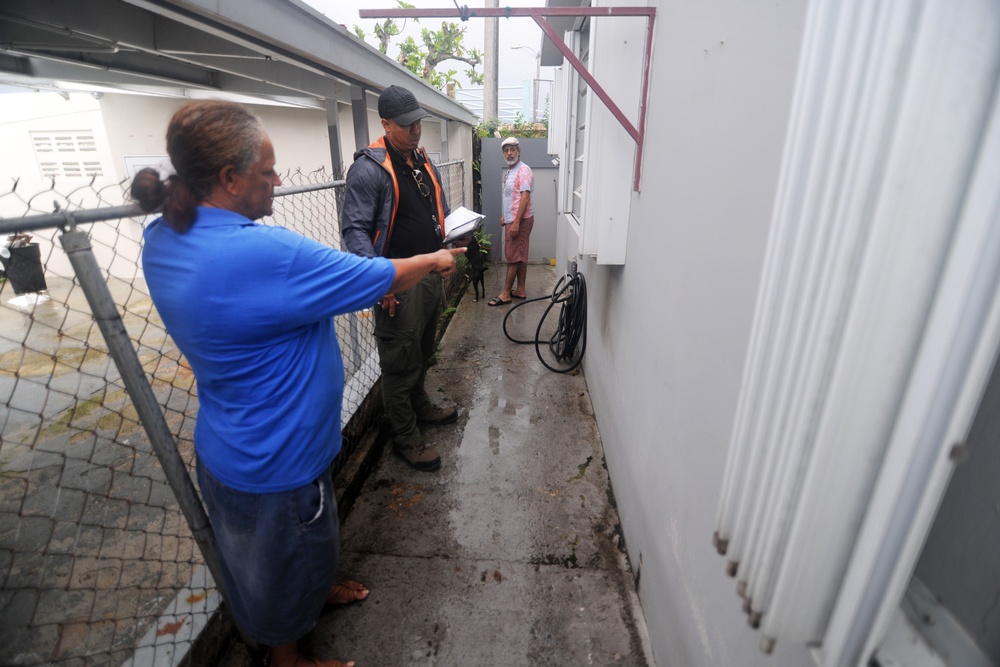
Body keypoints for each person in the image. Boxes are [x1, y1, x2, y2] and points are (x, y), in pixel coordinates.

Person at [131, 100, 462, 667]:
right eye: (266, 172)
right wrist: (433, 259)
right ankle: (290, 659)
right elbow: (374, 275)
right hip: (278, 460)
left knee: (291, 555)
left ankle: (313, 591)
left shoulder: (163, 237)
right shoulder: (263, 253)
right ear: (230, 179)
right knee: (285, 560)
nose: (278, 181)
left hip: (233, 445)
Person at [341, 85, 459, 473]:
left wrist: (444, 251)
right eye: (406, 125)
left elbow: (432, 213)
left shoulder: (420, 160)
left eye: (418, 122)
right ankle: (405, 438)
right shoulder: (368, 168)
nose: (416, 130)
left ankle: (420, 406)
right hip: (397, 282)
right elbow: (355, 230)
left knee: (423, 350)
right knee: (399, 364)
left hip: (427, 275)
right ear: (385, 123)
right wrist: (379, 281)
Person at [488, 136, 535, 306]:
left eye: (512, 149)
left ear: (519, 151)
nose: (509, 153)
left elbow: (524, 198)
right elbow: (512, 197)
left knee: (513, 257)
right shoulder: (511, 170)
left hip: (520, 221)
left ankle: (506, 293)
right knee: (520, 255)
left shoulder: (523, 170)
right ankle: (520, 289)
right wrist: (505, 216)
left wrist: (515, 222)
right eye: (506, 150)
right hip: (515, 218)